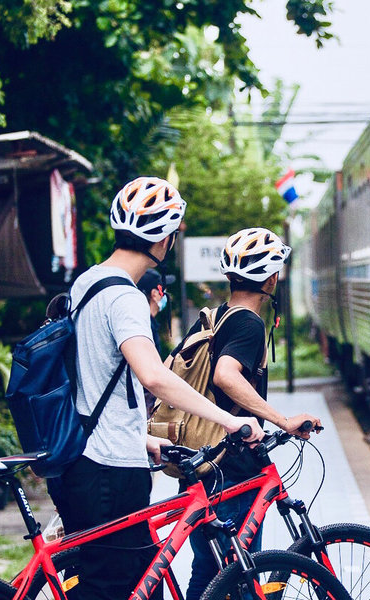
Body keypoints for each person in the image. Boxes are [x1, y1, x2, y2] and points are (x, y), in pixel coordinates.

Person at [51, 176, 263, 600]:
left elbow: (96, 379)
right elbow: (152, 376)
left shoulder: (86, 282)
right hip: (110, 470)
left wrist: (141, 437)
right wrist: (229, 419)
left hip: (86, 458)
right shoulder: (126, 297)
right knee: (129, 589)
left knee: (110, 585)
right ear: (162, 238)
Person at [176, 226, 323, 600]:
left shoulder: (216, 316)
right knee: (239, 576)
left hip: (204, 460)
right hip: (232, 466)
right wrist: (281, 420)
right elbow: (226, 374)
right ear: (272, 278)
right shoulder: (249, 322)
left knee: (209, 575)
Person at [136, 267, 176, 354]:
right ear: (154, 294)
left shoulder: (142, 322)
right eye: (163, 290)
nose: (166, 294)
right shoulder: (146, 327)